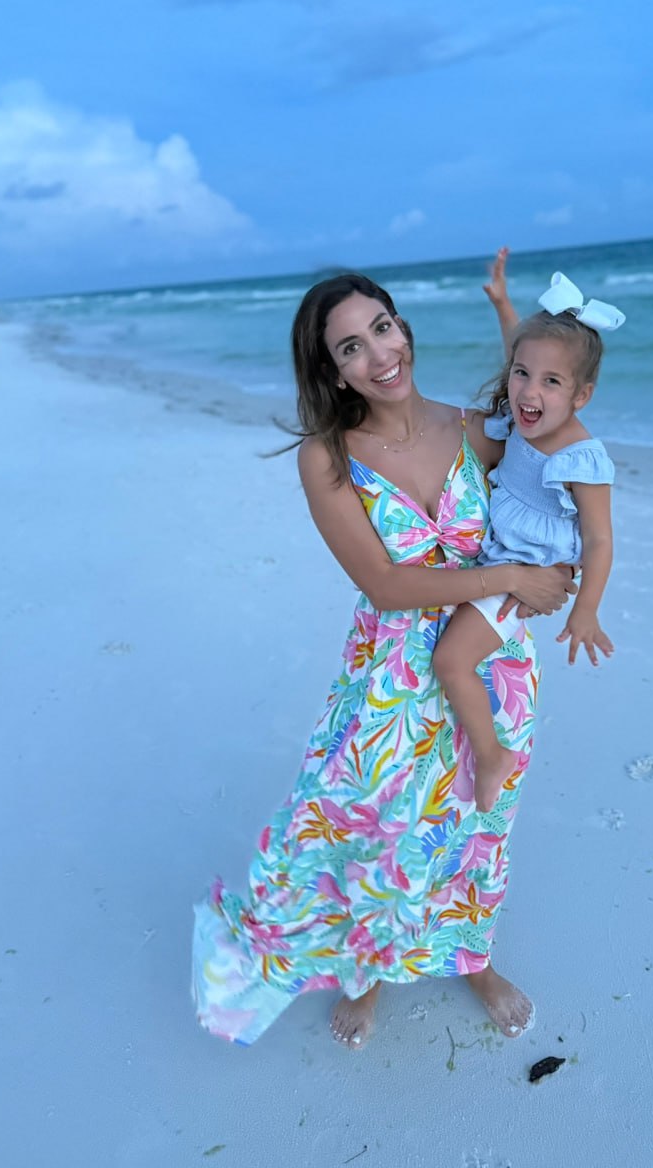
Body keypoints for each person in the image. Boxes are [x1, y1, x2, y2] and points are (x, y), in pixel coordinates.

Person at [191, 270, 577, 1050]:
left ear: (405, 329)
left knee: (479, 823)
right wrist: (512, 576)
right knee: (375, 829)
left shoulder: (475, 429)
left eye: (385, 327)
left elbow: (538, 401)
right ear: (334, 369)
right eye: (352, 346)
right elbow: (386, 583)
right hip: (393, 678)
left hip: (493, 666)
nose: (379, 353)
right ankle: (363, 972)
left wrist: (561, 575)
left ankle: (472, 958)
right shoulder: (328, 457)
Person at [432, 249, 622, 812]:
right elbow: (527, 351)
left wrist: (587, 609)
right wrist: (503, 304)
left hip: (522, 576)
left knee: (450, 661)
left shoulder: (579, 455)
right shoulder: (526, 407)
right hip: (495, 553)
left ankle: (493, 755)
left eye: (551, 382)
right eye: (521, 375)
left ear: (581, 395)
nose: (528, 392)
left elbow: (601, 540)